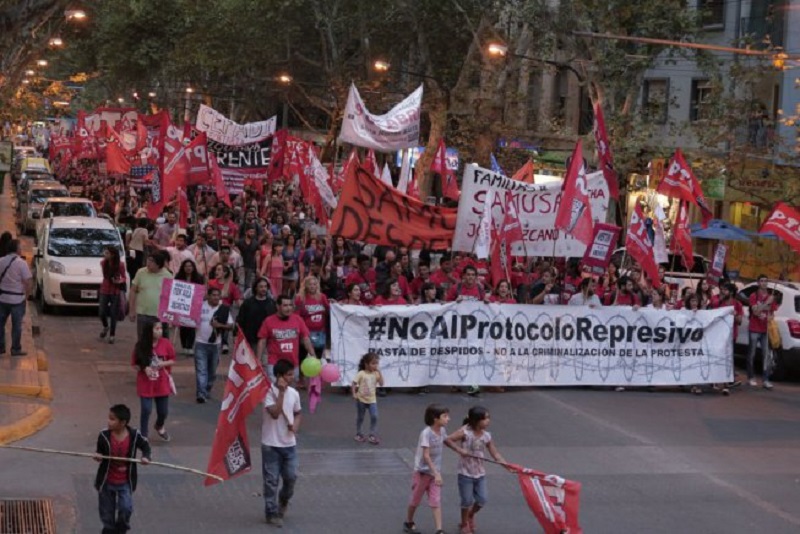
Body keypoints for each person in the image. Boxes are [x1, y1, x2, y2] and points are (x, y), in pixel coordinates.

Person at [447, 406, 511, 534]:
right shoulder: (464, 432)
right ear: (476, 420)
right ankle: (464, 524)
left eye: (488, 418)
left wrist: (507, 466)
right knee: (466, 500)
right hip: (465, 473)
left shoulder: (486, 436)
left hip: (480, 473)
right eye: (485, 419)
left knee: (482, 499)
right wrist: (460, 450)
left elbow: (495, 454)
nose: (488, 421)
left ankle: (470, 515)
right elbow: (447, 440)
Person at [94, 404, 151, 534]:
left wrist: (146, 457)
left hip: (125, 482)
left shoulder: (134, 435)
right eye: (109, 418)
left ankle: (121, 529)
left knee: (125, 508)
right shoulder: (103, 436)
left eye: (112, 419)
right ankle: (108, 530)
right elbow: (100, 452)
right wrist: (98, 456)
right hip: (107, 481)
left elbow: (145, 446)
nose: (109, 421)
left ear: (123, 423)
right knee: (106, 512)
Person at [404, 404, 458, 534]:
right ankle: (409, 521)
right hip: (422, 472)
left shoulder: (442, 431)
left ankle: (439, 529)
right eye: (445, 416)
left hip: (434, 473)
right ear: (435, 418)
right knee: (415, 500)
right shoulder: (426, 434)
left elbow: (447, 441)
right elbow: (426, 456)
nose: (448, 419)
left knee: (435, 500)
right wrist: (436, 473)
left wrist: (460, 450)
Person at [261, 358, 302, 528]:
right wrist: (281, 393)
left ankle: (283, 501)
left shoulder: (295, 393)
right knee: (271, 481)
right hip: (270, 444)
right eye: (289, 375)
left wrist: (296, 426)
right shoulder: (268, 392)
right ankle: (271, 512)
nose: (292, 377)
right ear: (279, 376)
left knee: (291, 477)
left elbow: (298, 413)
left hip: (289, 444)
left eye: (293, 374)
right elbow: (275, 413)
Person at [131, 322, 175, 441]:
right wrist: (144, 368)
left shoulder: (166, 343)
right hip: (146, 383)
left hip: (161, 383)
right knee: (146, 409)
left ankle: (159, 425)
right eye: (156, 328)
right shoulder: (141, 345)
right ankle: (144, 434)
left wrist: (163, 363)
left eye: (161, 328)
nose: (159, 331)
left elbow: (172, 360)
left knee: (163, 411)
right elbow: (134, 364)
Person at [257, 294, 316, 379]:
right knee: (276, 391)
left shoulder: (298, 319)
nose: (288, 308)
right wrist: (258, 360)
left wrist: (313, 355)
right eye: (285, 305)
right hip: (275, 364)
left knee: (291, 391)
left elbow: (305, 338)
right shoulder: (268, 321)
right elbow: (262, 341)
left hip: (293, 364)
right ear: (278, 306)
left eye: (290, 305)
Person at [193, 287, 234, 403]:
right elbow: (190, 319)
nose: (216, 297)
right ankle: (201, 393)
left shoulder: (224, 309)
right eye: (214, 295)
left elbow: (231, 326)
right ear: (208, 296)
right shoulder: (200, 306)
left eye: (218, 295)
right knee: (201, 370)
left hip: (215, 345)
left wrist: (219, 325)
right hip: (200, 343)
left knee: (212, 371)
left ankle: (207, 389)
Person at [128, 250, 172, 340]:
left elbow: (171, 296)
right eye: (148, 260)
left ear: (158, 264)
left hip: (159, 316)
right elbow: (133, 290)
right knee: (143, 340)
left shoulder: (167, 276)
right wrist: (131, 310)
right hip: (143, 313)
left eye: (152, 261)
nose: (148, 263)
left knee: (159, 340)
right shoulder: (141, 272)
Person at [0, 239, 33, 356]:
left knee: (0, 324)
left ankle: (1, 346)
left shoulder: (1, 261)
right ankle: (15, 349)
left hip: (2, 298)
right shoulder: (21, 263)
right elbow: (28, 282)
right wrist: (26, 296)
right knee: (17, 326)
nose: (21, 249)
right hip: (17, 299)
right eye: (20, 247)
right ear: (17, 249)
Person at [294, 276, 329, 384]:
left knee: (317, 356)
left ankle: (315, 378)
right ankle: (301, 378)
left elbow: (329, 309)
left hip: (320, 331)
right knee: (302, 355)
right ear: (306, 286)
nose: (313, 286)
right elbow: (297, 316)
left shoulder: (322, 297)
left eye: (315, 284)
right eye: (310, 284)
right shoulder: (300, 298)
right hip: (306, 332)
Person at [747, 275, 777, 389]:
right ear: (758, 283)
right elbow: (755, 311)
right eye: (762, 281)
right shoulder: (754, 296)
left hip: (765, 330)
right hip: (754, 328)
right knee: (752, 354)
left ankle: (766, 379)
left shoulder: (771, 297)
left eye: (766, 281)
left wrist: (770, 317)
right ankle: (750, 377)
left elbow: (772, 313)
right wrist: (766, 303)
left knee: (766, 355)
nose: (764, 283)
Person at [237, 277, 277, 351]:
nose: (263, 289)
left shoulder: (271, 303)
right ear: (255, 288)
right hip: (251, 339)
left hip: (267, 340)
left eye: (265, 286)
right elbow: (241, 320)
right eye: (261, 287)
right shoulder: (248, 303)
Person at [352, 352, 384, 445]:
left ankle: (372, 435)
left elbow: (381, 384)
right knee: (360, 417)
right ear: (366, 364)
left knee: (374, 416)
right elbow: (354, 383)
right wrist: (354, 393)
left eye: (376, 363)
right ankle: (359, 434)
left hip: (372, 400)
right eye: (373, 363)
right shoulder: (361, 373)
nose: (375, 365)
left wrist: (380, 373)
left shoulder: (376, 374)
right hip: (361, 399)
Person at [174, 259, 204, 355]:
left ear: (193, 267)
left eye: (190, 266)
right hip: (182, 305)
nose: (188, 268)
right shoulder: (178, 277)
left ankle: (190, 346)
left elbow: (201, 291)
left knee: (191, 326)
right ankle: (184, 346)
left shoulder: (198, 278)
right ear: (183, 267)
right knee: (183, 326)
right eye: (186, 266)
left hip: (194, 306)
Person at [99, 246, 126, 345]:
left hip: (115, 290)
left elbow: (124, 277)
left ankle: (112, 335)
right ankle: (106, 326)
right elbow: (105, 276)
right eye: (105, 253)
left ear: (113, 255)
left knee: (114, 313)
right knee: (102, 312)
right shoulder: (103, 263)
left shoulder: (120, 265)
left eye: (107, 253)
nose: (105, 255)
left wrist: (119, 281)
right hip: (105, 289)